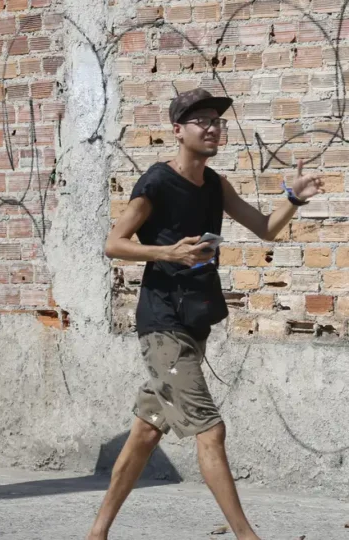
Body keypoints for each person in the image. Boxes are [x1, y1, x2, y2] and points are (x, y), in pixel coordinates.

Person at [87, 89, 323, 540]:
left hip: (194, 325)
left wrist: (293, 197)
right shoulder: (156, 182)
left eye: (217, 120)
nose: (213, 127)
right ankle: (247, 537)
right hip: (162, 326)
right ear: (178, 130)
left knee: (144, 435)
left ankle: (97, 533)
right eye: (202, 121)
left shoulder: (215, 184)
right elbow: (113, 243)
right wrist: (166, 253)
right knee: (211, 432)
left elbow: (265, 229)